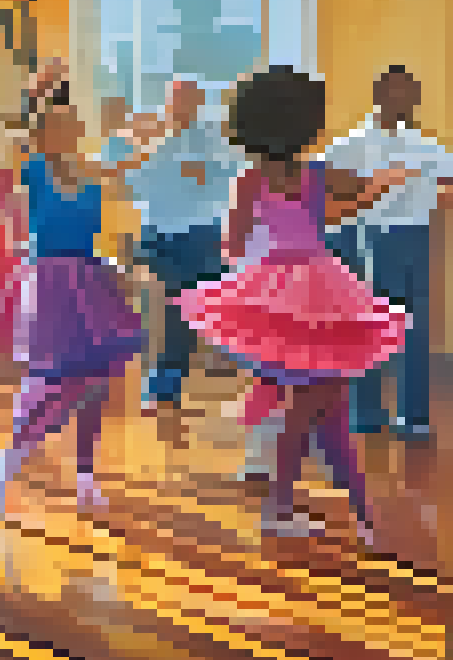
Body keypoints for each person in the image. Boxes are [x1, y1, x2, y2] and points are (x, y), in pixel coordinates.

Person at [180, 66, 412, 543]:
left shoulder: (252, 179)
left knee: (324, 407)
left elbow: (232, 246)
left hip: (287, 295)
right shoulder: (315, 175)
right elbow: (348, 203)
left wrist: (259, 271)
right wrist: (382, 183)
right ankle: (291, 507)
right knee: (318, 406)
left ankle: (355, 512)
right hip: (320, 294)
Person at [0, 84, 149, 516]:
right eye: (54, 125)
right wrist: (32, 97)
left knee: (98, 379)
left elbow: (135, 170)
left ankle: (85, 474)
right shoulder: (32, 171)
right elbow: (0, 144)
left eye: (70, 124)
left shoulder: (95, 173)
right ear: (40, 133)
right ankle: (12, 458)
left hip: (90, 279)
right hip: (49, 284)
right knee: (50, 379)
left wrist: (120, 267)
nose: (65, 132)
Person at [322, 66, 453, 442]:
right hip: (369, 237)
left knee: (413, 328)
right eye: (396, 91)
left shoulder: (426, 146)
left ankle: (408, 416)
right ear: (379, 95)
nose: (403, 99)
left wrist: (426, 195)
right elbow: (326, 194)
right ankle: (369, 413)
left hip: (416, 237)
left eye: (409, 93)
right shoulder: (351, 145)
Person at [128, 78, 246, 414]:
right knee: (171, 309)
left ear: (198, 103)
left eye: (188, 99)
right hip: (159, 237)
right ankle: (164, 387)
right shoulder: (152, 139)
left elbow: (234, 180)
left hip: (201, 236)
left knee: (195, 310)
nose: (181, 106)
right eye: (176, 99)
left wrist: (207, 174)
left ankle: (178, 385)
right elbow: (134, 185)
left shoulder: (214, 140)